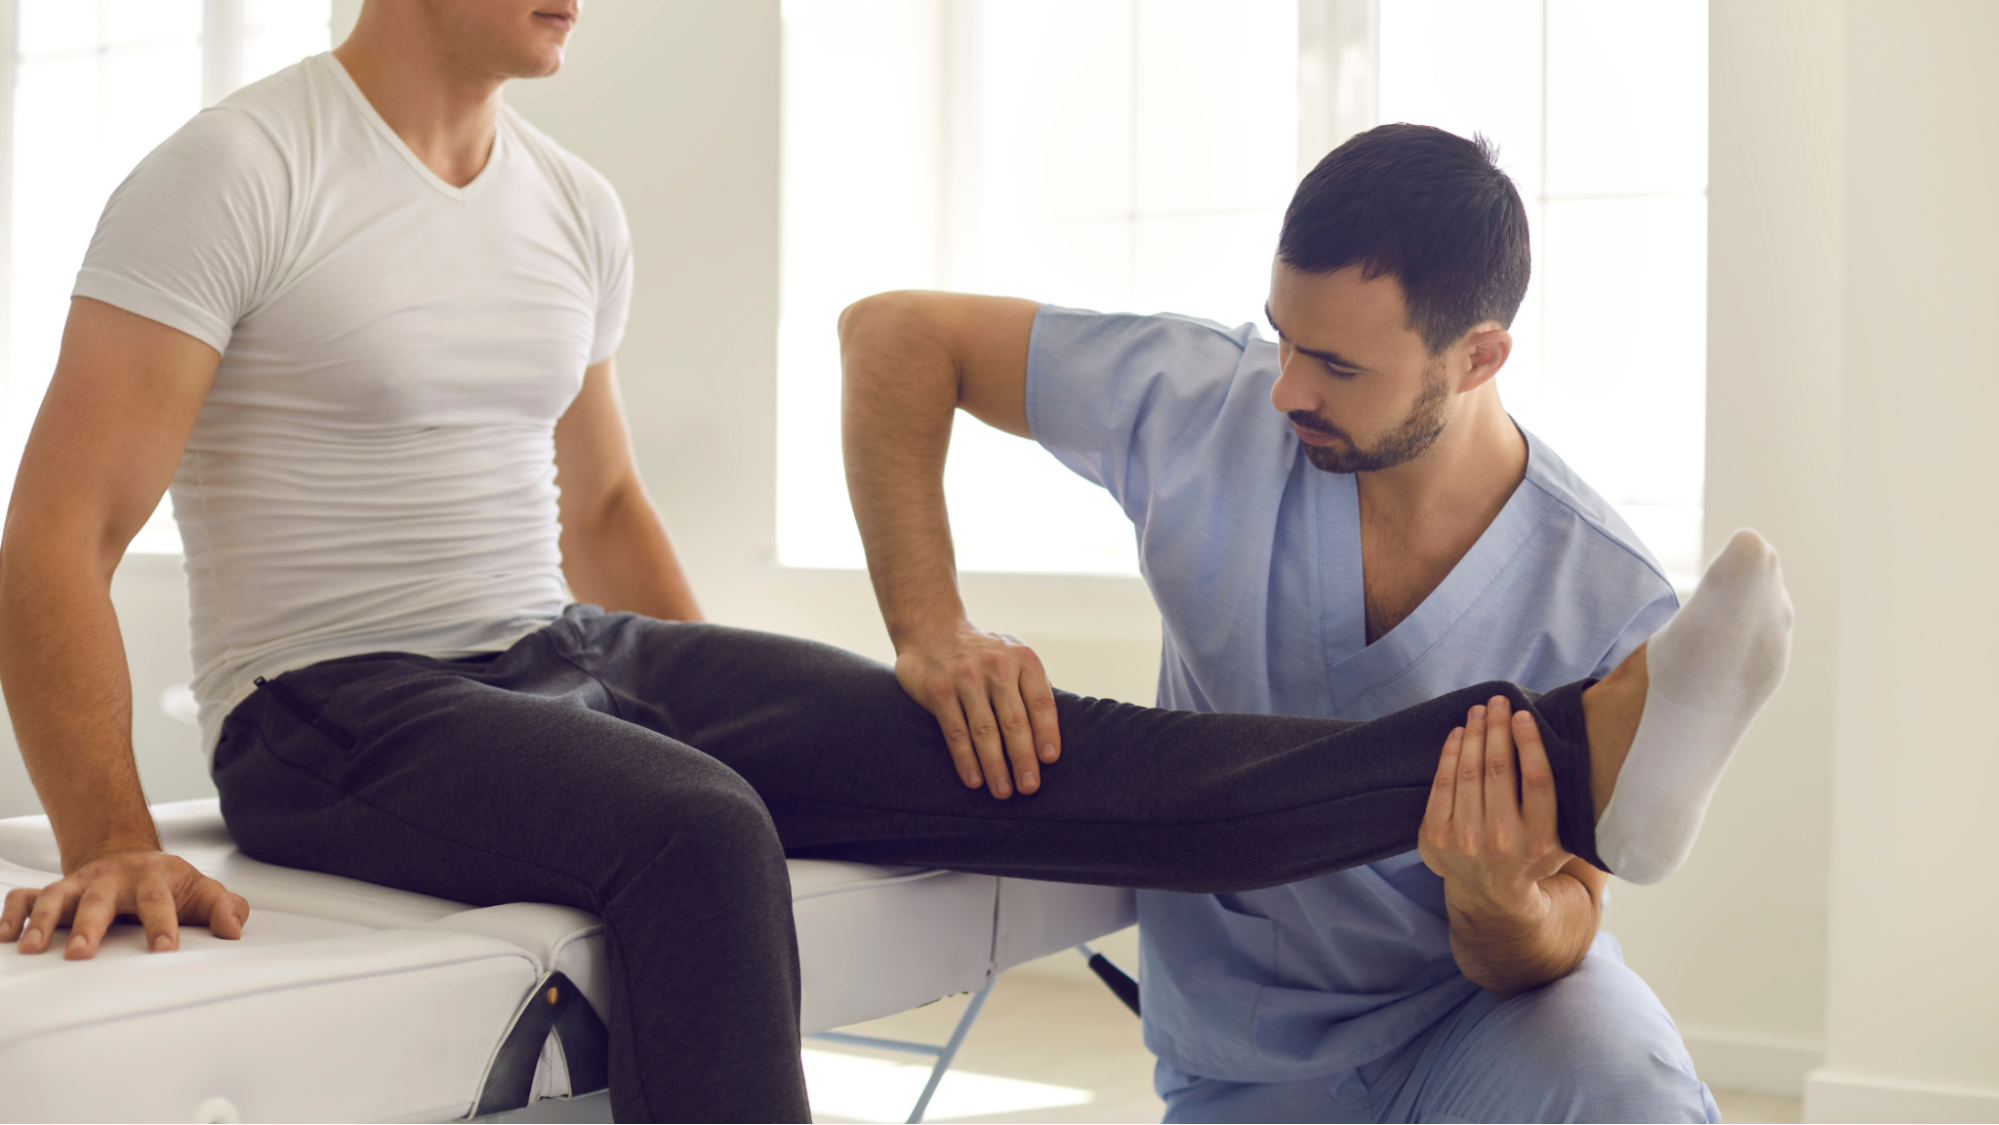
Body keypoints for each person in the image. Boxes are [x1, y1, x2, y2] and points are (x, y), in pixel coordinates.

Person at [0, 1, 1788, 1120]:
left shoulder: (569, 207)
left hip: (559, 641)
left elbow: (605, 510)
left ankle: (1575, 758)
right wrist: (110, 836)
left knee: (1001, 743)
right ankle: (1576, 745)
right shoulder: (238, 171)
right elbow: (57, 529)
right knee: (691, 832)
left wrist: (704, 714)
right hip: (332, 703)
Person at [838, 124, 1791, 1122]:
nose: (1286, 387)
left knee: (1631, 1098)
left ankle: (1585, 748)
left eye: (1336, 365)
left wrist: (1497, 898)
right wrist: (930, 625)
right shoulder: (1204, 403)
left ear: (1477, 358)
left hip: (1481, 1022)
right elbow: (892, 333)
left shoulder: (1598, 591)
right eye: (1282, 336)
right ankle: (1578, 738)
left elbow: (1556, 937)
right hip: (1247, 1059)